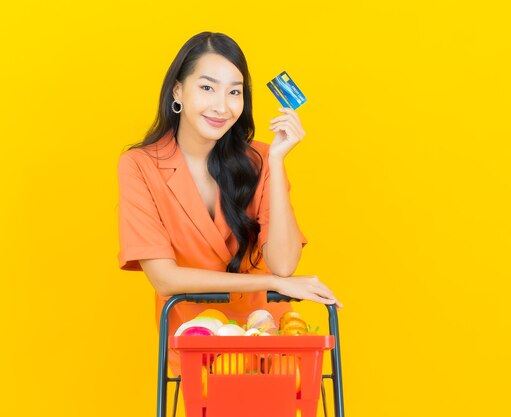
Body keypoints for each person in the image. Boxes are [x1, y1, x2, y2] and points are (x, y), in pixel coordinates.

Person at [116, 32, 342, 375]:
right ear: (177, 91)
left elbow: (282, 264)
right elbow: (164, 279)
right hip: (198, 340)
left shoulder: (261, 160)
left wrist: (277, 162)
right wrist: (271, 284)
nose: (222, 106)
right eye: (207, 88)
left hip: (268, 337)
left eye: (234, 92)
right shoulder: (140, 166)